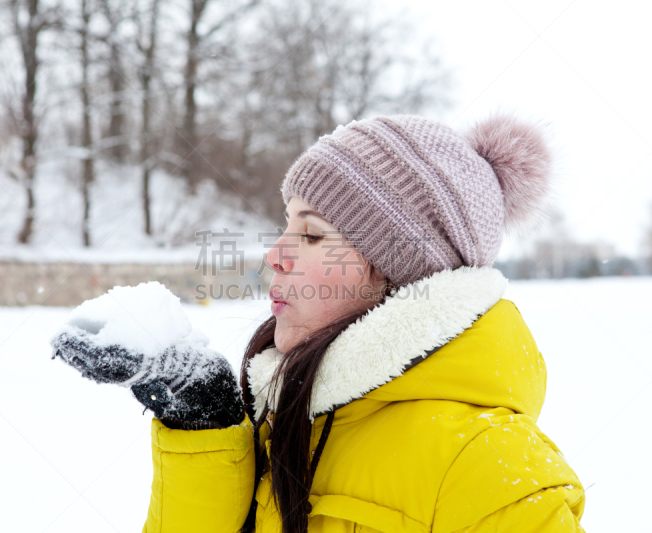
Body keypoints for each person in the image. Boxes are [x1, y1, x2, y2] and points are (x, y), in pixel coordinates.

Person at [53, 113, 586, 532]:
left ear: (399, 269)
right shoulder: (281, 424)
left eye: (310, 235)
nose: (275, 255)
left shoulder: (490, 467)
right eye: (286, 225)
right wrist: (206, 431)